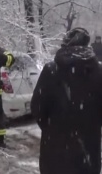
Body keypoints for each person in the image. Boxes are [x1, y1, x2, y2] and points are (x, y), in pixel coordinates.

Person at [31, 27, 102, 174]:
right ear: (87, 44)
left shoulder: (51, 70)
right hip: (88, 153)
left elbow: (37, 107)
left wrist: (52, 128)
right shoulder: (99, 71)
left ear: (65, 43)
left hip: (55, 152)